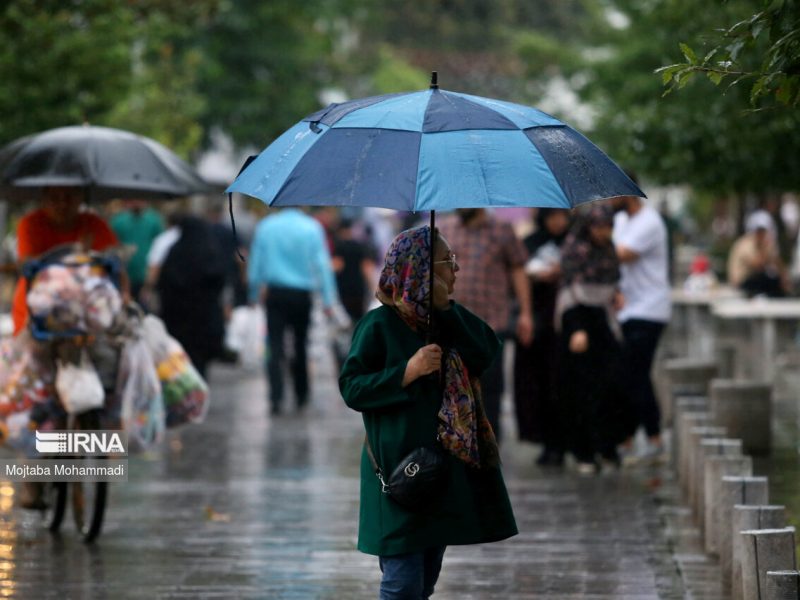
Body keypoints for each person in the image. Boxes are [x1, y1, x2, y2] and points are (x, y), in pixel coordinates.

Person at [339, 226, 517, 599]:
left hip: (441, 472)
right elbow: (352, 387)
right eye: (447, 262)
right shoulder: (378, 325)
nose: (456, 270)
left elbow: (486, 351)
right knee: (402, 583)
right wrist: (407, 371)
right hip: (397, 470)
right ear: (420, 269)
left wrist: (447, 310)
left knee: (424, 581)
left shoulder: (446, 321)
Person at [438, 209, 533, 441]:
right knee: (452, 390)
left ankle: (489, 448)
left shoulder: (502, 230)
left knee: (490, 392)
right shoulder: (444, 230)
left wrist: (526, 313)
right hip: (453, 324)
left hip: (491, 324)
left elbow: (518, 270)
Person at [556, 206, 629, 474]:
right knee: (582, 391)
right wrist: (576, 328)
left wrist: (616, 294)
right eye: (599, 227)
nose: (604, 232)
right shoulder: (574, 249)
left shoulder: (608, 249)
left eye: (608, 227)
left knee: (612, 385)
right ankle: (584, 452)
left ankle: (607, 447)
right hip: (579, 325)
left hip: (603, 323)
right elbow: (568, 292)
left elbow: (612, 281)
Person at [248, 208, 338, 415]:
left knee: (275, 345)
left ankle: (276, 397)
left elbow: (256, 264)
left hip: (275, 294)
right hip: (301, 294)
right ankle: (301, 394)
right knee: (300, 345)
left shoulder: (266, 227)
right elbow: (322, 265)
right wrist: (328, 300)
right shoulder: (312, 228)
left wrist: (253, 294)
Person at [611, 191, 672, 461]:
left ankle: (652, 436)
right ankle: (629, 437)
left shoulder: (650, 221)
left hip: (650, 309)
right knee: (631, 374)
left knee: (634, 373)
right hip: (627, 310)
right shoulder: (622, 220)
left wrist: (594, 244)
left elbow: (623, 254)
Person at [12, 186, 118, 335]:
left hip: (85, 310)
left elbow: (114, 264)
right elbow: (26, 262)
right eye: (55, 198)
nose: (62, 204)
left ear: (80, 198)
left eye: (69, 197)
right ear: (44, 199)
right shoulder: (30, 224)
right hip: (36, 311)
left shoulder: (95, 225)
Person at [513, 208, 571, 465]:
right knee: (537, 385)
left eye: (562, 216)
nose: (558, 222)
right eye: (552, 216)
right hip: (536, 325)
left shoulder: (573, 243)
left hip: (567, 325)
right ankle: (546, 442)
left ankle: (565, 442)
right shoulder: (529, 244)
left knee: (562, 384)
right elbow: (516, 277)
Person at [156, 215, 227, 379]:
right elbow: (220, 283)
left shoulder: (175, 252)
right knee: (200, 363)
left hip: (178, 320)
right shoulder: (211, 253)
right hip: (205, 321)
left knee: (180, 361)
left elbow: (163, 284)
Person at [110, 199, 164, 302]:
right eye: (134, 199)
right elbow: (111, 246)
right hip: (123, 274)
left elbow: (160, 245)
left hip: (145, 275)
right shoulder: (119, 221)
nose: (137, 202)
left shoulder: (154, 220)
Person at [727, 210, 789, 297]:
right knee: (768, 281)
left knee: (775, 280)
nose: (761, 233)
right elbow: (757, 264)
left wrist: (784, 276)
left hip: (755, 280)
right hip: (742, 282)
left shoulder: (764, 243)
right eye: (759, 230)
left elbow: (776, 261)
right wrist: (767, 250)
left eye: (763, 230)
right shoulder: (744, 244)